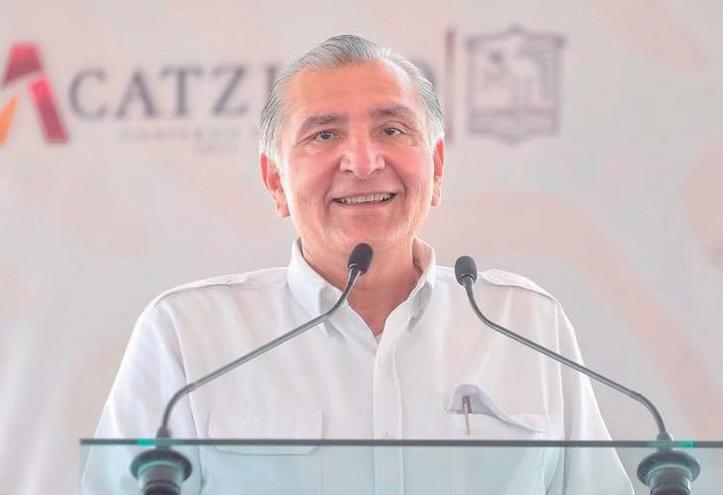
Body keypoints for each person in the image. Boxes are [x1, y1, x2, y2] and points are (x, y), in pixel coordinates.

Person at [83, 35, 633, 494]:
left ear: (437, 167)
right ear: (275, 181)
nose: (364, 162)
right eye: (324, 135)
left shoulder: (524, 324)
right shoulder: (188, 335)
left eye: (392, 130)